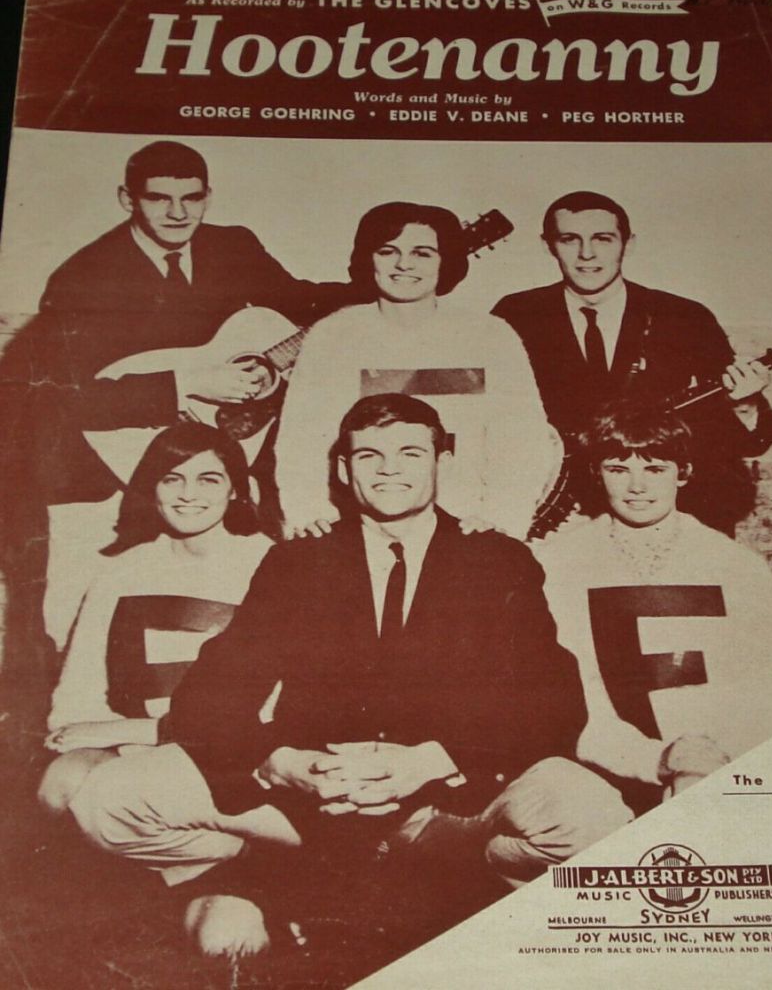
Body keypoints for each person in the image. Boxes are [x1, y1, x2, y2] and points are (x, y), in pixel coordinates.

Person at [68, 394, 630, 958]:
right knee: (107, 798)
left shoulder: (497, 559)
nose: (389, 469)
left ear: (443, 462)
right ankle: (268, 862)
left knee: (591, 813)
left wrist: (431, 760)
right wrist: (280, 763)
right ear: (343, 468)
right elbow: (207, 697)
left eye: (410, 453)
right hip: (317, 805)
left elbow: (555, 700)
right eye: (369, 456)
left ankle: (482, 876)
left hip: (455, 802)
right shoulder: (298, 560)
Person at [0, 140, 348, 661]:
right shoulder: (84, 277)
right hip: (110, 467)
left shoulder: (232, 246)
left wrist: (383, 283)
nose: (179, 212)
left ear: (209, 196)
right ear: (128, 199)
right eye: (159, 198)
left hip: (219, 461)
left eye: (192, 197)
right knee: (80, 616)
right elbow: (63, 397)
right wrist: (189, 383)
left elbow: (301, 300)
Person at [535, 404, 772, 816]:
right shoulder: (558, 565)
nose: (637, 486)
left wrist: (707, 765)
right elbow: (567, 697)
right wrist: (655, 759)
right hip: (602, 774)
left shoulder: (737, 566)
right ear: (596, 473)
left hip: (718, 769)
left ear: (683, 472)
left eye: (655, 469)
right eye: (618, 469)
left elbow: (762, 692)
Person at [491, 191, 772, 537]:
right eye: (569, 239)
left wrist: (745, 406)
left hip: (665, 515)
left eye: (603, 239)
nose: (587, 253)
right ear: (548, 245)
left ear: (628, 244)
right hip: (556, 520)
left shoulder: (684, 316)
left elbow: (748, 443)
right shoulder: (516, 314)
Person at [274, 202, 557, 542]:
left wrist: (501, 521)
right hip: (357, 531)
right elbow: (301, 442)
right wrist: (309, 516)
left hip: (467, 528)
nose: (404, 264)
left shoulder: (490, 336)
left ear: (445, 260)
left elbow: (522, 440)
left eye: (422, 253)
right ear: (368, 258)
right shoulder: (331, 336)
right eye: (387, 251)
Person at [37, 424, 274, 817]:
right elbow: (80, 689)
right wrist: (99, 736)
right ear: (153, 487)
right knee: (60, 785)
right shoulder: (121, 571)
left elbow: (271, 709)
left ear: (235, 489)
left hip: (232, 752)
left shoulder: (272, 564)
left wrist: (145, 733)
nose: (188, 494)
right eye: (172, 478)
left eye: (209, 479)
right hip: (130, 746)